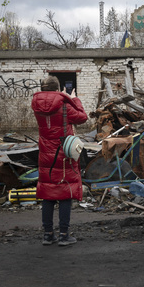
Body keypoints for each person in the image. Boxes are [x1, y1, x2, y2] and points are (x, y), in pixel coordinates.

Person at [31, 76, 88, 246]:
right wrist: (73, 98)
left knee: (48, 193)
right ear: (57, 89)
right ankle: (64, 235)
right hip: (64, 152)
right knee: (65, 193)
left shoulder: (36, 105)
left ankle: (48, 235)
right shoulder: (64, 105)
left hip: (45, 152)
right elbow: (82, 117)